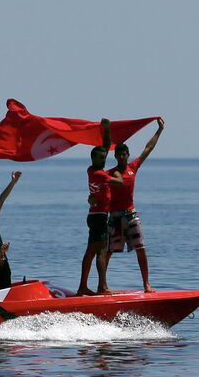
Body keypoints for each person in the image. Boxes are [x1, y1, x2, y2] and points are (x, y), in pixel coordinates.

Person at [106, 117, 165, 293]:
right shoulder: (110, 173)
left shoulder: (133, 167)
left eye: (125, 154)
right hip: (115, 217)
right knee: (108, 251)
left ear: (128, 155)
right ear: (116, 156)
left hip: (131, 215)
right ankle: (103, 285)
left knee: (141, 248)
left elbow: (149, 148)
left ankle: (146, 284)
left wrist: (159, 130)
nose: (122, 157)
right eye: (119, 155)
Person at [78, 118, 123, 296]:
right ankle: (101, 287)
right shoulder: (98, 173)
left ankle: (84, 287)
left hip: (95, 215)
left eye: (104, 158)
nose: (104, 160)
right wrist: (116, 171)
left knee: (92, 251)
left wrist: (106, 129)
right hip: (99, 217)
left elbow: (105, 146)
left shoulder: (91, 169)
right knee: (100, 251)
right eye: (101, 158)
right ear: (93, 159)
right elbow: (119, 182)